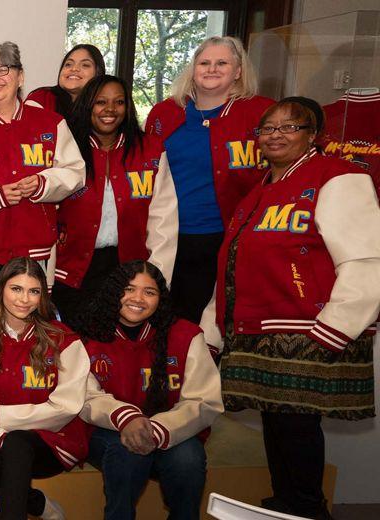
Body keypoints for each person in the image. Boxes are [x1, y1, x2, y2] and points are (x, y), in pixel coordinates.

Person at [201, 98, 380, 519]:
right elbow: (232, 263)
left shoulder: (339, 178)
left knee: (297, 431)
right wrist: (214, 330)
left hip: (308, 330)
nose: (276, 134)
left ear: (313, 134)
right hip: (258, 330)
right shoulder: (260, 190)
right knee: (278, 428)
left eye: (290, 126)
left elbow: (366, 259)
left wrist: (335, 328)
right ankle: (283, 507)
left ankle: (306, 510)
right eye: (268, 128)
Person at [0, 42, 85, 315]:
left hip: (35, 249)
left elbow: (75, 173)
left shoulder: (51, 124)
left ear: (20, 76)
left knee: (34, 329)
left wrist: (43, 183)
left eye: (2, 70)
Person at [76, 260, 221, 520]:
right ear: (114, 292)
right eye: (129, 289)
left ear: (160, 299)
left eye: (149, 292)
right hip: (108, 431)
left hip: (170, 432)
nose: (138, 299)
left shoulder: (187, 336)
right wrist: (127, 418)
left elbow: (203, 401)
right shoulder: (87, 334)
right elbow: (84, 396)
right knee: (126, 452)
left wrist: (157, 429)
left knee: (188, 460)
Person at [144, 36, 273, 322]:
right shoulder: (164, 113)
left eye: (222, 63)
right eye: (204, 62)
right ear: (193, 68)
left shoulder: (261, 113)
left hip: (229, 236)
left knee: (217, 320)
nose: (211, 69)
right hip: (169, 237)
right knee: (167, 319)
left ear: (238, 71)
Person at [0, 257, 90, 520]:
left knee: (17, 442)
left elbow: (66, 406)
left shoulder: (64, 339)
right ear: (0, 289)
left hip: (49, 440)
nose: (24, 299)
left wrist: (1, 417)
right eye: (16, 289)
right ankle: (38, 505)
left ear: (43, 296)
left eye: (33, 291)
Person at [52, 75, 176, 326]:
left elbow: (164, 220)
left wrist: (156, 279)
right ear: (88, 105)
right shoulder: (65, 148)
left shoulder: (150, 151)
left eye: (119, 102)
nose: (110, 109)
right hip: (73, 271)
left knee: (120, 352)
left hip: (130, 272)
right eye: (100, 102)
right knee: (75, 346)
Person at [24, 44, 106, 118]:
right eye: (68, 64)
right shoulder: (42, 98)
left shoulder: (105, 107)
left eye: (85, 65)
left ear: (98, 73)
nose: (74, 69)